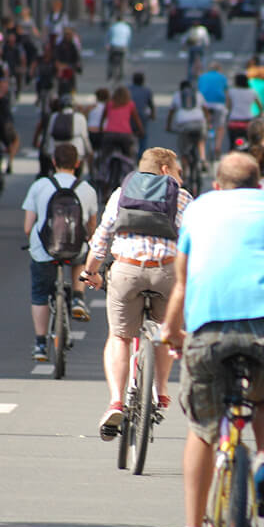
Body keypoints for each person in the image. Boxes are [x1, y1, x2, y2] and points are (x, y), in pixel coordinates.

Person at [161, 152, 264, 527]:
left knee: (201, 429)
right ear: (259, 185)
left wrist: (171, 331)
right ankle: (263, 460)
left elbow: (183, 282)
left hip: (210, 329)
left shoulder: (200, 208)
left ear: (217, 184)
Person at [81, 148, 194, 439]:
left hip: (126, 271)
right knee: (167, 331)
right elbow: (194, 241)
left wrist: (90, 272)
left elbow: (102, 238)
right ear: (166, 170)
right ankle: (161, 389)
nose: (181, 178)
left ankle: (116, 401)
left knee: (119, 336)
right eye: (179, 172)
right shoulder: (182, 197)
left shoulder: (120, 194)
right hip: (167, 273)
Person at [23, 144, 99, 360]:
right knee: (81, 255)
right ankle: (78, 297)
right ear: (77, 163)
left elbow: (28, 227)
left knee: (39, 294)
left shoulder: (39, 186)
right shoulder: (87, 189)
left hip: (44, 250)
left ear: (54, 162)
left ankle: (39, 344)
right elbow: (92, 228)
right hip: (74, 248)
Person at [166, 80, 209, 180]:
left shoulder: (177, 95)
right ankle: (203, 159)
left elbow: (171, 112)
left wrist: (168, 126)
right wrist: (208, 123)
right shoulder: (198, 94)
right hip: (199, 122)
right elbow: (205, 110)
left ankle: (185, 174)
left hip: (184, 124)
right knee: (201, 139)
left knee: (183, 150)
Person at [99, 86, 143, 159]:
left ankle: (104, 168)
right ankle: (130, 167)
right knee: (129, 156)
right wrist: (141, 131)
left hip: (110, 134)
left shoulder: (109, 104)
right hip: (125, 135)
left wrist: (101, 130)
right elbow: (136, 119)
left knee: (105, 156)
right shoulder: (130, 104)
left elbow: (102, 118)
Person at [197, 61, 229, 159]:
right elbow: (226, 93)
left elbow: (199, 92)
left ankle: (202, 156)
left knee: (202, 130)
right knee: (220, 126)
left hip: (204, 105)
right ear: (219, 69)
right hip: (219, 104)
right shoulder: (222, 77)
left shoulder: (202, 77)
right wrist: (227, 107)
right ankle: (217, 146)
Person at [225, 73, 264, 147]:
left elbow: (228, 107)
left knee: (232, 144)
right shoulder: (252, 92)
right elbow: (260, 108)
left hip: (234, 121)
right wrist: (258, 115)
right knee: (250, 144)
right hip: (248, 122)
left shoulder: (231, 91)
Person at [128, 72, 156, 158]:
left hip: (129, 117)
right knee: (143, 137)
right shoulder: (147, 91)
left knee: (129, 136)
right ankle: (141, 157)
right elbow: (151, 105)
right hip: (141, 117)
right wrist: (152, 115)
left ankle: (129, 154)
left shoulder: (128, 89)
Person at [106, 15, 132, 81]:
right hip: (123, 46)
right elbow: (129, 38)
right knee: (122, 61)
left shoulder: (113, 27)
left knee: (110, 60)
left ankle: (110, 73)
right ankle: (121, 74)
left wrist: (107, 44)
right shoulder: (126, 27)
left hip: (113, 46)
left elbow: (108, 37)